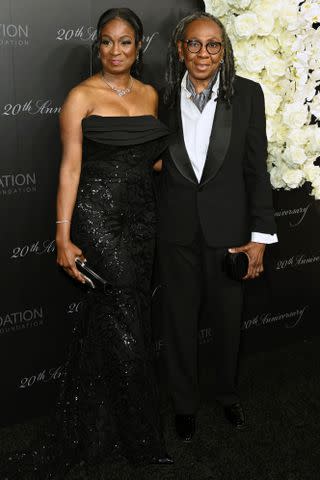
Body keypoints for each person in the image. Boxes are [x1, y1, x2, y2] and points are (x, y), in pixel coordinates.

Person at [3, 8, 172, 479]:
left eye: (125, 42)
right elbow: (70, 168)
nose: (115, 51)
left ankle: (94, 426)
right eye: (106, 42)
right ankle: (141, 438)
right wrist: (62, 235)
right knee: (125, 317)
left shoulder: (150, 94)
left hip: (143, 217)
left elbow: (151, 159)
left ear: (139, 47)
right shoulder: (81, 96)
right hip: (98, 217)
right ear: (96, 46)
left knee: (123, 317)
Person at [156, 11, 278, 442]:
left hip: (229, 234)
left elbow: (256, 170)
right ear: (179, 48)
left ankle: (227, 395)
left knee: (228, 323)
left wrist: (259, 238)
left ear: (223, 51)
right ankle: (183, 405)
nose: (203, 53)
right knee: (178, 323)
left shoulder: (247, 95)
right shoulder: (161, 97)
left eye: (213, 45)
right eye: (194, 43)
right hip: (176, 234)